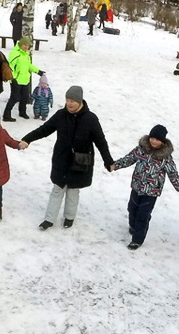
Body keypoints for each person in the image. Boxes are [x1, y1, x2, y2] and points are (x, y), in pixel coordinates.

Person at [20, 86, 114, 231]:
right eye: (67, 100)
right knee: (57, 189)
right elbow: (45, 129)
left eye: (72, 101)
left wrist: (108, 161)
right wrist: (27, 139)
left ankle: (69, 217)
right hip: (62, 160)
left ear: (80, 101)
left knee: (73, 191)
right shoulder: (61, 115)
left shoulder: (90, 119)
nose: (69, 104)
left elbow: (100, 141)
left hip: (80, 162)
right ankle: (49, 219)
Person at [113, 124, 179, 250]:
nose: (154, 141)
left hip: (152, 192)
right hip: (137, 187)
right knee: (132, 209)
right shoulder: (141, 150)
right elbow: (128, 159)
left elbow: (172, 173)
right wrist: (115, 165)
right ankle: (133, 226)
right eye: (152, 138)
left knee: (143, 215)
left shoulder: (165, 157)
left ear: (162, 142)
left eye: (157, 140)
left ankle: (137, 240)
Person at [3, 36, 41, 122]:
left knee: (25, 97)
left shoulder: (26, 54)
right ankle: (6, 115)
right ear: (20, 44)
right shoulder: (15, 53)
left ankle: (22, 112)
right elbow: (10, 67)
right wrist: (13, 78)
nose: (26, 47)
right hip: (16, 80)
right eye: (24, 45)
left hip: (25, 80)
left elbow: (28, 66)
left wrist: (38, 71)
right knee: (14, 98)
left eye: (27, 45)